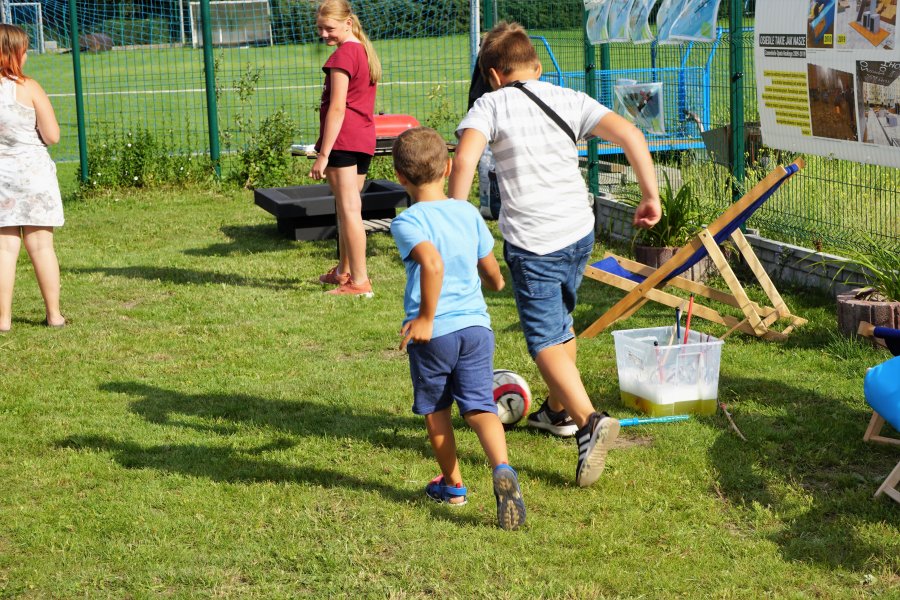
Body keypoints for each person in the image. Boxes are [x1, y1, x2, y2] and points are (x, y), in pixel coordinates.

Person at [448, 22, 662, 488]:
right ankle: (558, 412)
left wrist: (453, 217)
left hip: (535, 241)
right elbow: (632, 135)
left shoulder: (490, 103)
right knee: (561, 322)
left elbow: (464, 160)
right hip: (578, 232)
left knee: (543, 339)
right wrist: (650, 195)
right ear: (537, 68)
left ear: (493, 75)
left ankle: (588, 422)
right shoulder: (569, 98)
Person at [390, 127, 526, 530]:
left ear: (399, 176)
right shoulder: (466, 211)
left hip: (436, 334)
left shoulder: (408, 222)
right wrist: (497, 283)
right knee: (481, 406)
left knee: (436, 411)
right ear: (448, 167)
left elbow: (432, 264)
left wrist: (426, 319)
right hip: (476, 329)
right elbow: (490, 270)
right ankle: (502, 467)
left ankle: (453, 486)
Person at [310, 0, 380, 297]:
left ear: (348, 23)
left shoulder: (343, 56)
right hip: (363, 140)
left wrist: (323, 154)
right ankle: (343, 271)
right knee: (347, 207)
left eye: (330, 28)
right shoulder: (364, 52)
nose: (324, 34)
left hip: (343, 141)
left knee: (349, 210)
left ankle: (360, 282)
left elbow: (338, 107)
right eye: (320, 29)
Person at [0, 24, 65, 332]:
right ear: (14, 53)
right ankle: (54, 315)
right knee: (41, 246)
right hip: (34, 176)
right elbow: (52, 136)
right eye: (24, 50)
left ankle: (3, 320)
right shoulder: (29, 87)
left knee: (3, 250)